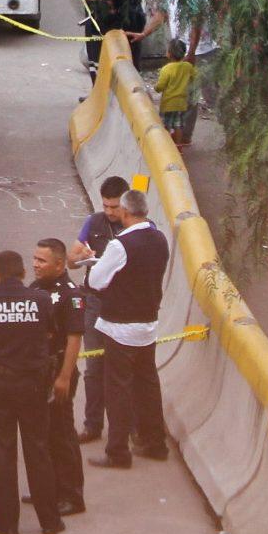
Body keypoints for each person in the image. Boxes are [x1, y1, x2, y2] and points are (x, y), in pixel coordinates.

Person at [0, 251, 64, 534]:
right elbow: (50, 334)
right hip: (33, 385)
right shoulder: (41, 300)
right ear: (24, 273)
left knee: (3, 452)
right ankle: (49, 520)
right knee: (38, 449)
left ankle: (8, 523)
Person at [86, 189, 170, 468]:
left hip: (119, 327)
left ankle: (118, 452)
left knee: (117, 389)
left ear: (124, 212)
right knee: (148, 383)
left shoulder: (119, 245)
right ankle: (155, 443)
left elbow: (96, 281)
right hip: (148, 324)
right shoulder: (160, 239)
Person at [30, 238, 86, 518]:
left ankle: (72, 495)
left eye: (41, 261)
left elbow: (74, 338)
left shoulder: (71, 295)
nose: (35, 265)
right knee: (43, 431)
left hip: (58, 369)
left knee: (62, 432)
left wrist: (64, 377)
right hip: (38, 370)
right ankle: (48, 487)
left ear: (60, 264)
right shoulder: (36, 287)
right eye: (35, 259)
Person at [75, 177, 131, 441]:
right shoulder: (93, 223)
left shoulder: (136, 226)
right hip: (94, 303)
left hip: (123, 305)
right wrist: (81, 256)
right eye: (106, 206)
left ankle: (129, 427)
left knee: (124, 369)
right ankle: (92, 425)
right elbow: (72, 258)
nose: (109, 212)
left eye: (115, 207)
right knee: (94, 368)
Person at [155, 40, 198, 146]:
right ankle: (178, 146)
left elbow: (160, 87)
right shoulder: (188, 67)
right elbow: (195, 77)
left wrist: (155, 88)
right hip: (182, 104)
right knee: (178, 126)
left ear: (168, 53)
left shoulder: (166, 69)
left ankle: (166, 146)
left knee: (166, 125)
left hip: (168, 103)